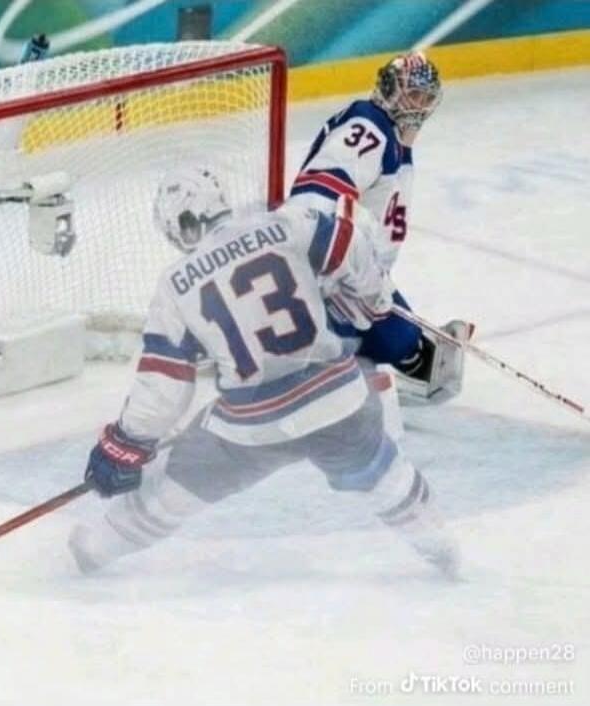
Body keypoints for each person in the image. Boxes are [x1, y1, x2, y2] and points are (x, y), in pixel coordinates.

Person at [68, 166, 459, 577]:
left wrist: (127, 443)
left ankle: (97, 547)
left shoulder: (176, 284)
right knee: (381, 469)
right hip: (337, 399)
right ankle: (440, 544)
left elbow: (163, 385)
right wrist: (373, 300)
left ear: (178, 226)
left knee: (178, 480)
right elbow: (349, 240)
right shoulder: (290, 223)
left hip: (252, 427)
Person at [289, 51, 471, 405]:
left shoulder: (396, 140)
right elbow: (317, 195)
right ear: (389, 90)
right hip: (329, 264)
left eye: (426, 98)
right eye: (412, 95)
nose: (419, 107)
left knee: (405, 342)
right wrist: (325, 261)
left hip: (358, 271)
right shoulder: (369, 123)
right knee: (393, 342)